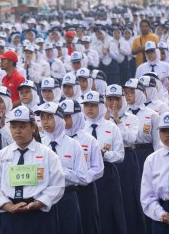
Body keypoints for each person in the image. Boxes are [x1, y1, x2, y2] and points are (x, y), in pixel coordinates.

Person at [0, 106, 65, 234]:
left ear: (33, 127)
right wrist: (8, 206)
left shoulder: (48, 155)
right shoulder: (1, 156)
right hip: (9, 216)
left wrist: (39, 203)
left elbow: (57, 185)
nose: (17, 131)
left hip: (39, 215)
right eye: (13, 126)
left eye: (22, 127)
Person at [35, 101, 89, 234]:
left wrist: (60, 172)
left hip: (67, 197)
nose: (45, 122)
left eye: (49, 117)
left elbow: (83, 177)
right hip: (43, 198)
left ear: (59, 119)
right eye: (42, 118)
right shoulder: (37, 145)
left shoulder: (73, 145)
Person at [82, 90, 126, 234]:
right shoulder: (80, 128)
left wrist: (104, 154)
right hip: (87, 175)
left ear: (101, 106)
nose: (89, 109)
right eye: (86, 105)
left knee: (108, 210)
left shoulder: (111, 127)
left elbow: (120, 155)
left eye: (93, 105)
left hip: (107, 174)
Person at [104, 84, 146, 234]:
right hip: (108, 161)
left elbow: (131, 139)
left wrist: (117, 121)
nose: (113, 103)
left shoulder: (131, 118)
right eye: (109, 99)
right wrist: (105, 119)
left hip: (127, 159)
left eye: (116, 99)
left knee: (128, 196)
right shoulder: (101, 118)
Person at [60, 98, 104, 234]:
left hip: (85, 189)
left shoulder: (89, 140)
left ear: (77, 116)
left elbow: (98, 169)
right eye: (62, 117)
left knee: (87, 223)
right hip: (65, 191)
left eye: (67, 116)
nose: (64, 120)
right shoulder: (57, 140)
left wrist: (82, 178)